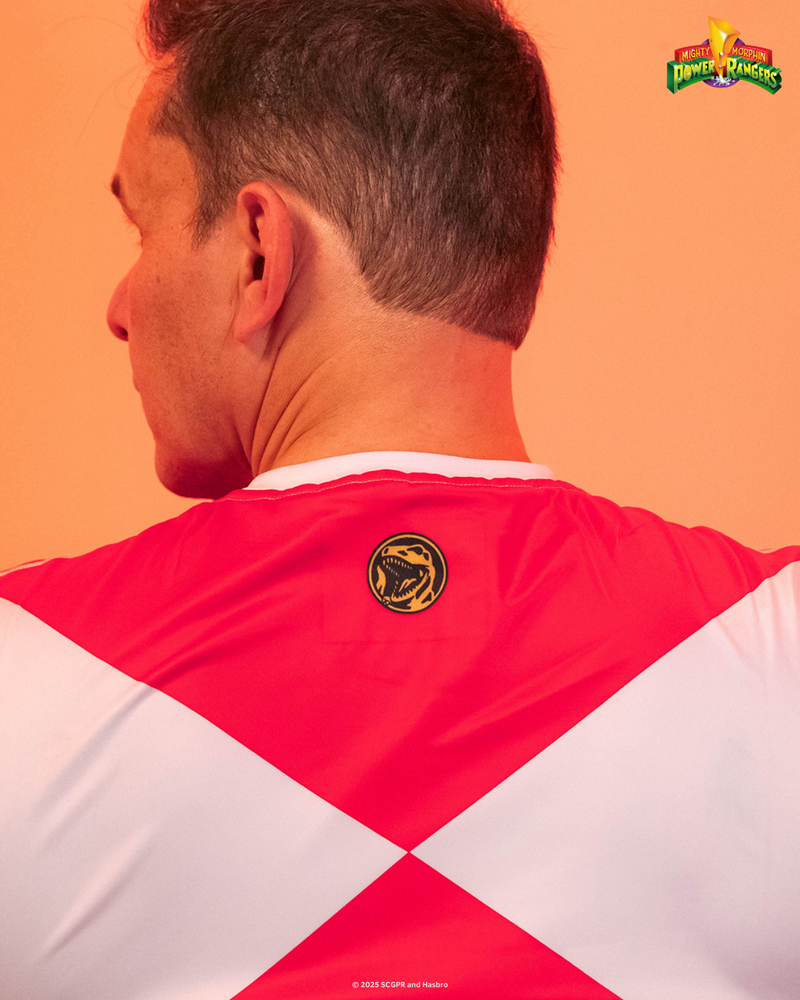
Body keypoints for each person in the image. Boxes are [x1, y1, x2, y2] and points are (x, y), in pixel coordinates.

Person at [0, 0, 798, 997]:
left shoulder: (20, 667)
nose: (120, 307)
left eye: (141, 225)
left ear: (257, 250)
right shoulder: (773, 646)